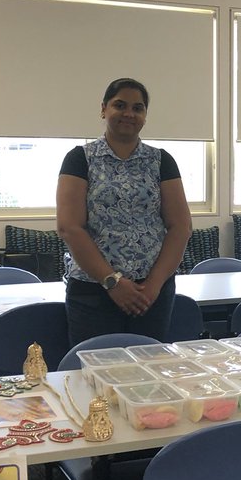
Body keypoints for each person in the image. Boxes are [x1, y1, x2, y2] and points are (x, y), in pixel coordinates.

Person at [57, 77, 193, 345]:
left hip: (150, 294)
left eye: (138, 107)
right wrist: (113, 283)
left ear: (145, 115)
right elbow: (69, 227)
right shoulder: (80, 159)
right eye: (120, 105)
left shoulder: (161, 160)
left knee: (149, 378)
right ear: (103, 109)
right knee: (94, 376)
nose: (129, 113)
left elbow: (180, 227)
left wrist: (153, 286)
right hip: (94, 291)